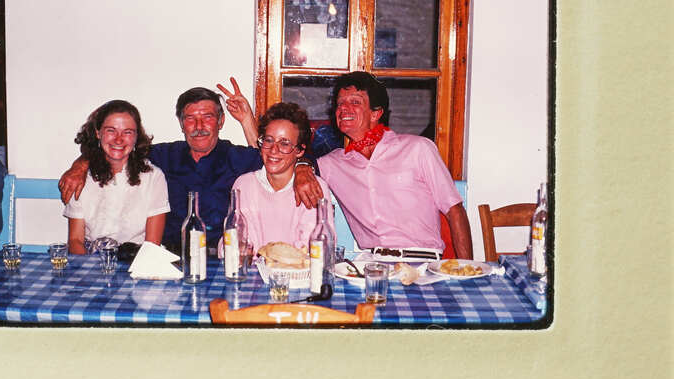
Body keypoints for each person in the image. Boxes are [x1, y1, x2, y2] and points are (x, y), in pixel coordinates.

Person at [59, 82, 323, 252]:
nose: (198, 127)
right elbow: (118, 149)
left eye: (207, 117)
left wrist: (302, 168)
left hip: (221, 258)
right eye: (190, 119)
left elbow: (275, 155)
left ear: (220, 122)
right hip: (170, 258)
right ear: (181, 123)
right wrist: (80, 165)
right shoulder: (163, 155)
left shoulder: (237, 157)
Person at [316, 72, 473, 257]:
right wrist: (302, 166)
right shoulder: (333, 163)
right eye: (340, 103)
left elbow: (455, 211)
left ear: (376, 113)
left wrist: (467, 269)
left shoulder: (418, 149)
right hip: (373, 265)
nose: (343, 108)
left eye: (355, 102)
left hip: (423, 262)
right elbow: (292, 164)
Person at [63, 100, 169, 253]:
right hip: (90, 261)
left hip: (136, 260)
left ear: (136, 137)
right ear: (98, 133)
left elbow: (151, 246)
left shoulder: (154, 178)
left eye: (127, 132)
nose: (118, 139)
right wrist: (87, 271)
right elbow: (75, 240)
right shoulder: (79, 177)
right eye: (111, 130)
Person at [228, 102, 332, 254]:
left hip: (300, 275)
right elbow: (234, 243)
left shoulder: (314, 187)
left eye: (285, 143)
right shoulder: (244, 185)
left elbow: (316, 249)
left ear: (299, 150)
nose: (273, 150)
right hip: (254, 274)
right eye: (269, 140)